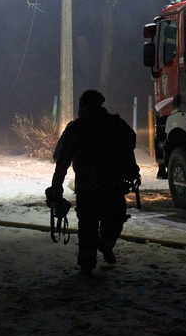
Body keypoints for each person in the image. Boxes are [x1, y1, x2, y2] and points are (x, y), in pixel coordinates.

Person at [47, 89, 140, 275]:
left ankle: (102, 250)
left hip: (107, 187)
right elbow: (63, 160)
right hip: (92, 189)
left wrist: (132, 171)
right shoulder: (81, 128)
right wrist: (56, 186)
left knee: (109, 224)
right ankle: (87, 265)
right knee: (91, 228)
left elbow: (127, 148)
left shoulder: (111, 125)